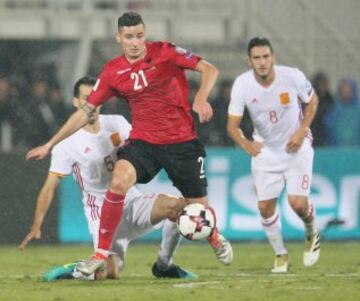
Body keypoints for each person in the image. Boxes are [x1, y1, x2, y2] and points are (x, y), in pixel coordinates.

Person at [26, 12, 233, 276]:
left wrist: (201, 98)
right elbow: (86, 110)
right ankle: (99, 253)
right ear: (119, 38)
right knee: (119, 180)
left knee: (197, 209)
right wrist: (50, 143)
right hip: (145, 141)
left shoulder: (166, 52)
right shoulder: (113, 71)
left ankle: (211, 237)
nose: (135, 42)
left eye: (139, 36)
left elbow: (210, 69)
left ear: (144, 34)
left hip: (182, 143)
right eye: (129, 37)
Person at [20, 76, 197, 281]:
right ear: (75, 102)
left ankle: (164, 266)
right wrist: (36, 224)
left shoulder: (117, 123)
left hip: (130, 200)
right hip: (100, 209)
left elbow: (144, 150)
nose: (91, 104)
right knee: (109, 273)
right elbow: (49, 187)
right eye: (86, 98)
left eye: (95, 97)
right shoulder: (66, 143)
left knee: (181, 207)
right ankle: (77, 267)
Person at [227, 37, 320, 273]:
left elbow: (312, 101)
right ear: (249, 61)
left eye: (266, 56)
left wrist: (302, 131)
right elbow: (232, 125)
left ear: (273, 57)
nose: (262, 62)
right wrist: (246, 144)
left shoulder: (292, 76)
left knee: (297, 204)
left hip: (296, 148)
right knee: (265, 207)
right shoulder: (242, 84)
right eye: (256, 58)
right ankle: (281, 255)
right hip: (266, 151)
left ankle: (311, 230)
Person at [323, 77, 360, 146]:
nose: (346, 93)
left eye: (348, 90)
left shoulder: (358, 109)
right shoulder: (334, 109)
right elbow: (328, 128)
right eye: (344, 91)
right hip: (338, 150)